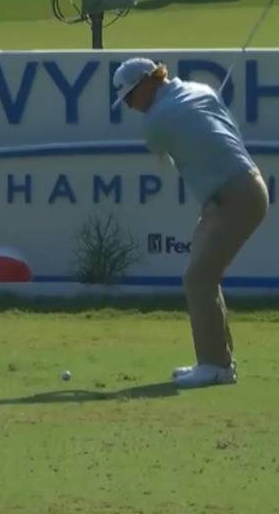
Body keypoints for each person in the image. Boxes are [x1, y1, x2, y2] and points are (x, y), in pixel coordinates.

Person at [113, 57, 269, 389]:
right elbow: (230, 132)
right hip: (244, 188)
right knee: (201, 275)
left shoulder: (157, 121)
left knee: (199, 278)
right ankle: (218, 362)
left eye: (129, 97)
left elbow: (164, 153)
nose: (129, 105)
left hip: (235, 196)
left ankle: (215, 365)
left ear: (148, 82)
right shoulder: (202, 90)